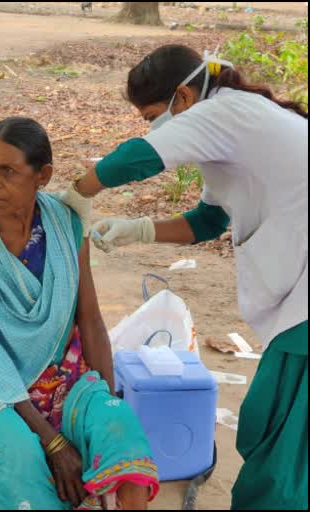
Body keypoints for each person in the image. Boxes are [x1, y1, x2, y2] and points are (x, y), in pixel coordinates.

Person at [57, 45, 307, 510]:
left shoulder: (226, 113)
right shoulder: (233, 125)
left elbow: (139, 157)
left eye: (154, 114)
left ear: (183, 97)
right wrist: (139, 230)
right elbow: (208, 223)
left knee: (279, 441)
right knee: (275, 429)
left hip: (304, 308)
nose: (153, 125)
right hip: (297, 301)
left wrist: (78, 191)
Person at [0, 117, 159, 510]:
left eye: (7, 171)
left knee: (119, 428)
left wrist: (103, 397)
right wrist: (54, 440)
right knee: (20, 459)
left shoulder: (65, 226)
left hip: (63, 371)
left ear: (42, 175)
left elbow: (89, 319)